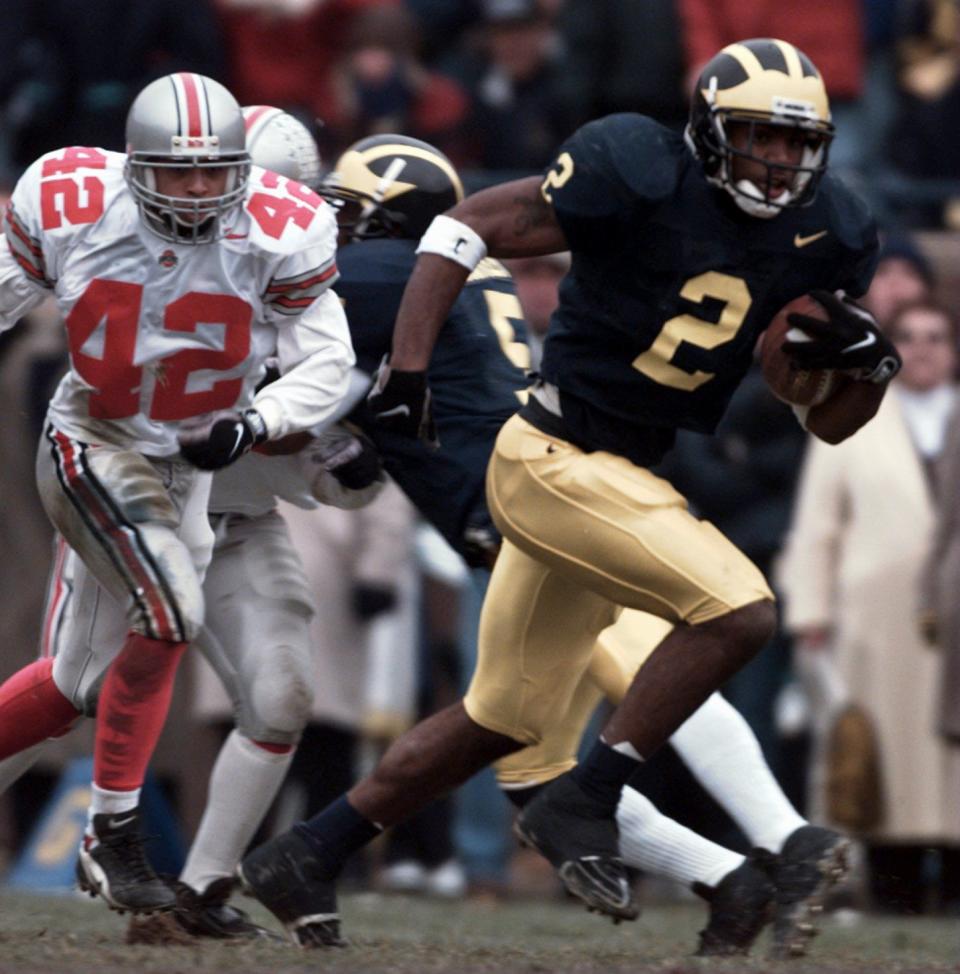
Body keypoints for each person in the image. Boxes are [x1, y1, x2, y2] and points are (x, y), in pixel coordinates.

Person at [242, 36, 902, 943]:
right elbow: (465, 223)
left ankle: (308, 852)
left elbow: (822, 418)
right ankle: (593, 798)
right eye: (758, 135)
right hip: (552, 455)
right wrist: (408, 366)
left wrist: (865, 371)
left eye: (795, 143)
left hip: (626, 470)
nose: (777, 161)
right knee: (741, 611)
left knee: (499, 717)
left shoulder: (827, 231)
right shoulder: (637, 167)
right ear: (709, 130)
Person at [0, 74, 355, 914]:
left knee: (78, 684)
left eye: (214, 172)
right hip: (99, 437)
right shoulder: (71, 199)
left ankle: (131, 846)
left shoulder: (282, 228)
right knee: (169, 613)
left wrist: (260, 421)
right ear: (134, 166)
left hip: (191, 469)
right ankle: (111, 837)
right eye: (177, 172)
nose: (199, 191)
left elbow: (327, 363)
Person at [781, 298, 960, 913]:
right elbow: (816, 524)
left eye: (937, 336)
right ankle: (893, 885)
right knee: (885, 755)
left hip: (955, 618)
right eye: (909, 336)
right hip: (876, 620)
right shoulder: (853, 418)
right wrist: (810, 613)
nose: (925, 348)